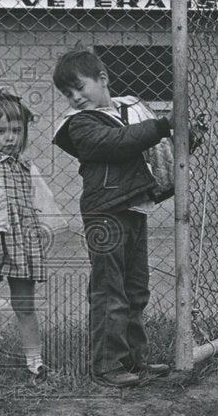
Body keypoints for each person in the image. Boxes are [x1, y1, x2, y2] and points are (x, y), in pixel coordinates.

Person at [52, 49, 172, 388]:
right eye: (67, 93)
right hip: (104, 214)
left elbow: (154, 150)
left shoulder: (126, 111)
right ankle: (106, 366)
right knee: (109, 291)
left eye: (79, 87)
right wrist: (162, 125)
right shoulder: (80, 124)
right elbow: (117, 144)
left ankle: (135, 361)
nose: (75, 98)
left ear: (102, 79)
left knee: (135, 291)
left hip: (132, 209)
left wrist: (186, 136)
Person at [0, 92, 64, 391]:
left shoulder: (26, 167)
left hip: (22, 244)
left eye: (16, 131)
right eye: (1, 131)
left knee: (25, 305)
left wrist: (44, 233)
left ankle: (35, 362)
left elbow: (43, 205)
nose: (10, 138)